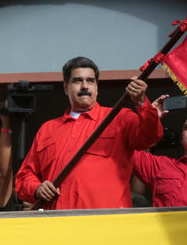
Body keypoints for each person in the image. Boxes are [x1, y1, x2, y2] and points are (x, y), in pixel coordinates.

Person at [14, 56, 163, 209]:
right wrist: (37, 188)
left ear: (97, 88)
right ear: (66, 88)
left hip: (106, 224)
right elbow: (24, 177)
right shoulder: (47, 129)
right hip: (59, 225)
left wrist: (142, 103)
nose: (85, 86)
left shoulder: (120, 118)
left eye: (90, 81)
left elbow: (150, 136)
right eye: (78, 80)